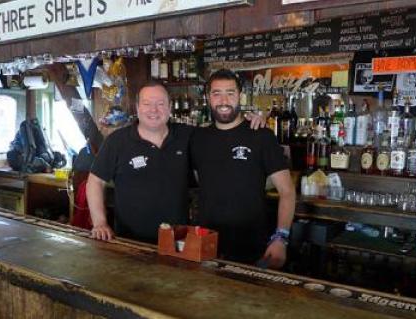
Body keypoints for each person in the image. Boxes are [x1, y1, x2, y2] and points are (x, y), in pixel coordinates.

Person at [86, 80, 266, 244]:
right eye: (147, 104)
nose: (154, 110)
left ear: (170, 107)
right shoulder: (117, 141)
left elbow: (223, 131)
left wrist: (249, 121)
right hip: (130, 241)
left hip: (177, 242)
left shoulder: (187, 136)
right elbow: (95, 181)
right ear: (137, 107)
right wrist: (100, 223)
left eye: (160, 104)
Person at [190, 69, 296, 269]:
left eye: (230, 93)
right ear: (208, 98)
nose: (223, 100)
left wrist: (280, 238)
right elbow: (200, 180)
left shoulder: (260, 136)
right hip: (206, 245)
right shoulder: (197, 138)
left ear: (240, 96)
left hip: (253, 248)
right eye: (216, 93)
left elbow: (287, 191)